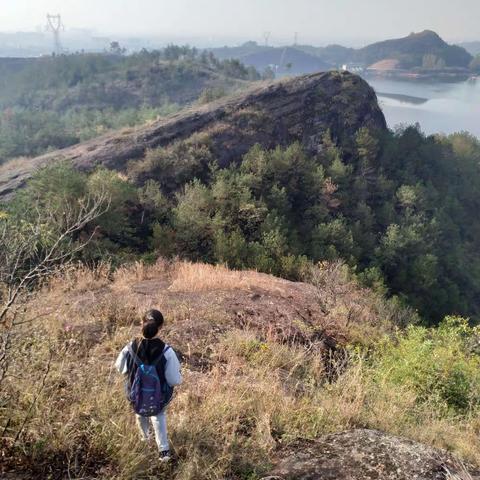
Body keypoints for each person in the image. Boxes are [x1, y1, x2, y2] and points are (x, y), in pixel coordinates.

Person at [115, 309, 182, 462]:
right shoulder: (167, 351)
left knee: (139, 412)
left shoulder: (130, 347)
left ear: (141, 323)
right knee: (158, 415)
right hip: (159, 397)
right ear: (161, 327)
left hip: (135, 393)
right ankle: (163, 451)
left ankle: (144, 442)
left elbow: (120, 368)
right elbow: (174, 380)